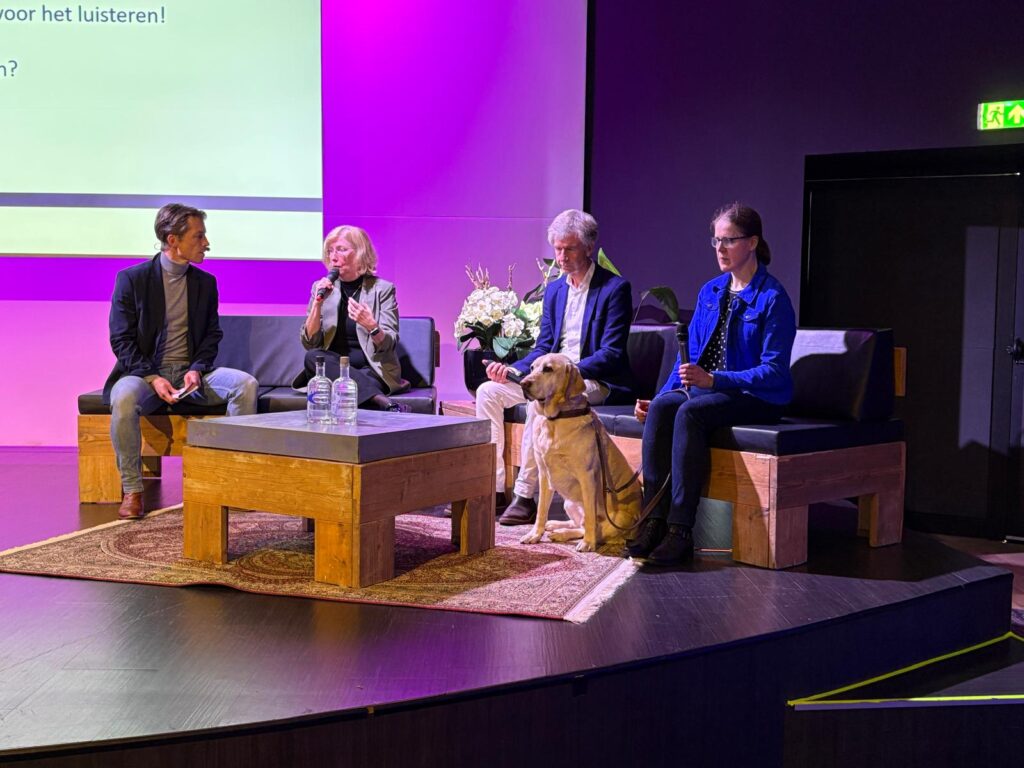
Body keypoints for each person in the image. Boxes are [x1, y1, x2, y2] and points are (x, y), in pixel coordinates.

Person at [627, 203, 796, 565]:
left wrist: (716, 379)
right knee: (667, 405)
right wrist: (659, 397)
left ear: (752, 243)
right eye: (716, 241)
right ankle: (653, 518)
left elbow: (776, 372)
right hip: (711, 389)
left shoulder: (772, 298)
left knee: (691, 412)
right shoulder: (711, 291)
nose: (719, 249)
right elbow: (685, 363)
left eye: (728, 241)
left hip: (755, 396)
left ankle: (681, 529)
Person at [476, 209, 633, 524]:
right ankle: (491, 490)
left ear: (589, 248)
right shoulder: (556, 289)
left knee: (543, 401)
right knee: (488, 391)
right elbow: (544, 347)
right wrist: (510, 369)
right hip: (549, 377)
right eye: (558, 249)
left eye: (569, 248)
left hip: (592, 380)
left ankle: (525, 495)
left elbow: (611, 353)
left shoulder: (614, 289)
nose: (561, 256)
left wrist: (566, 372)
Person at [104, 204, 258, 520]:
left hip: (191, 374)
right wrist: (152, 377)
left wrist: (197, 368)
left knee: (245, 385)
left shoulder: (205, 283)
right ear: (173, 240)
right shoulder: (132, 280)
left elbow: (211, 335)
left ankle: (232, 482)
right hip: (146, 375)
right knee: (123, 397)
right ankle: (133, 490)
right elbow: (121, 340)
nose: (206, 243)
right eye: (199, 236)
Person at [294, 225, 409, 410]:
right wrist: (317, 304)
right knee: (313, 357)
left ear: (360, 253)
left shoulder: (383, 289)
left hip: (370, 369)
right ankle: (384, 403)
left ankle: (364, 396)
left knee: (357, 382)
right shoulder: (321, 287)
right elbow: (310, 342)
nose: (333, 257)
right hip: (335, 368)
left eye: (341, 249)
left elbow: (389, 345)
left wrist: (371, 325)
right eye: (330, 251)